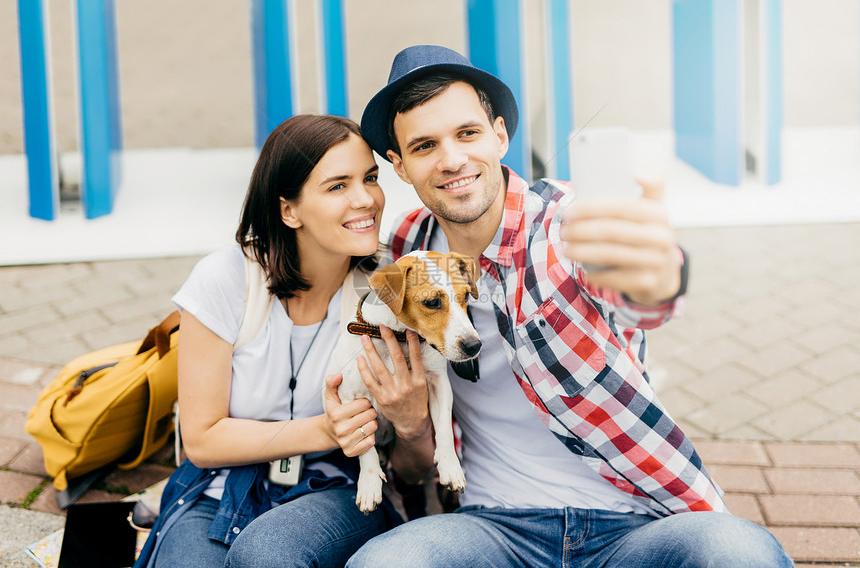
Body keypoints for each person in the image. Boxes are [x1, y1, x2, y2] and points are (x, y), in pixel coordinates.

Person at [346, 45, 793, 567]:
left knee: (739, 553)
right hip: (491, 528)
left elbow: (636, 299)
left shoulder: (567, 224)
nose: (451, 159)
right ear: (399, 166)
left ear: (500, 135)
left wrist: (658, 280)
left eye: (467, 134)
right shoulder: (404, 248)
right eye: (424, 146)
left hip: (635, 523)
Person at [134, 114, 406, 568]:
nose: (366, 199)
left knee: (269, 556)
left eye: (370, 178)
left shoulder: (385, 290)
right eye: (338, 186)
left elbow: (404, 450)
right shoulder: (225, 278)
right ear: (289, 210)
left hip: (338, 486)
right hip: (222, 486)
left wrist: (409, 422)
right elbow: (200, 440)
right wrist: (323, 430)